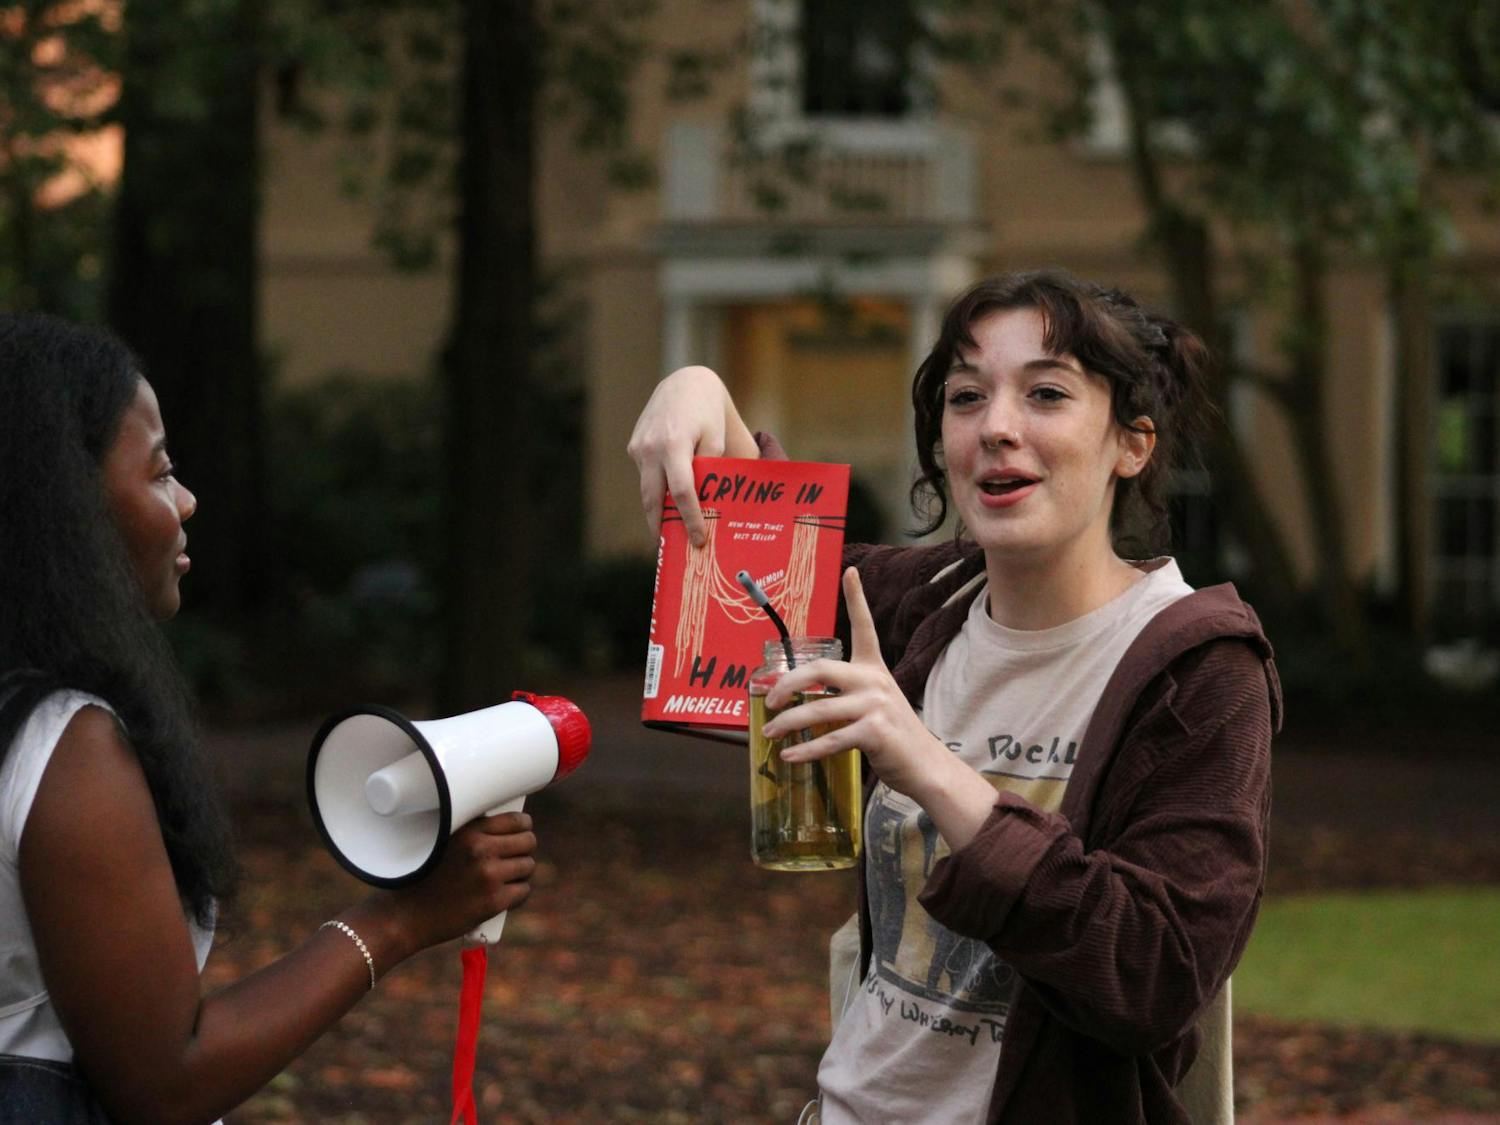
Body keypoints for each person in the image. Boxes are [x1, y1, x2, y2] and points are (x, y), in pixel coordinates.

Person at [628, 270, 1280, 1123]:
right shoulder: (919, 602)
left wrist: (928, 765)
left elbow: (1153, 975)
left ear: (1133, 444)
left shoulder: (1197, 669)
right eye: (967, 396)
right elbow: (748, 571)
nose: (997, 427)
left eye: (1046, 393)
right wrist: (695, 388)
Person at [0, 313, 539, 1124]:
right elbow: (165, 1079)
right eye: (159, 472)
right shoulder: (65, 748)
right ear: (66, 510)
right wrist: (405, 917)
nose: (186, 499)